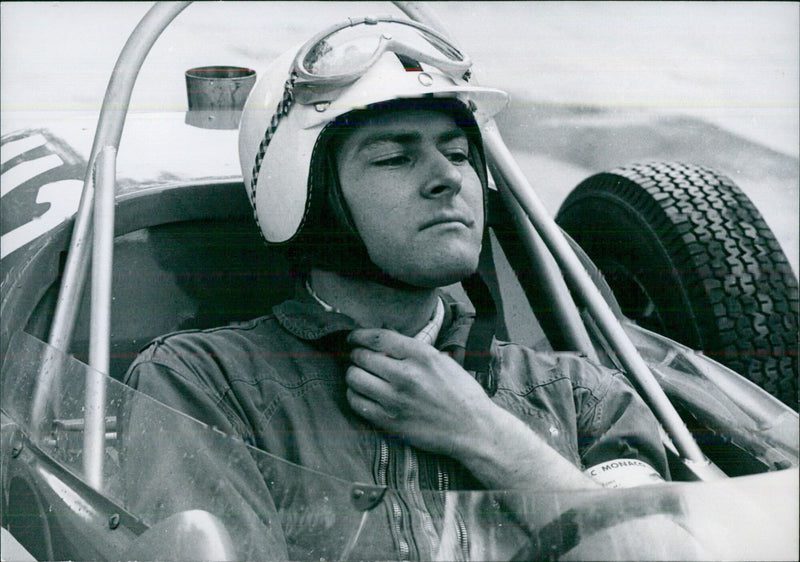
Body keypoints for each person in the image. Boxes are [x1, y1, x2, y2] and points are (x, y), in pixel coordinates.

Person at [122, 17, 676, 560]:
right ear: (308, 198)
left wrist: (482, 432)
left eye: (458, 153)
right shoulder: (204, 384)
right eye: (395, 157)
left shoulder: (581, 393)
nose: (449, 178)